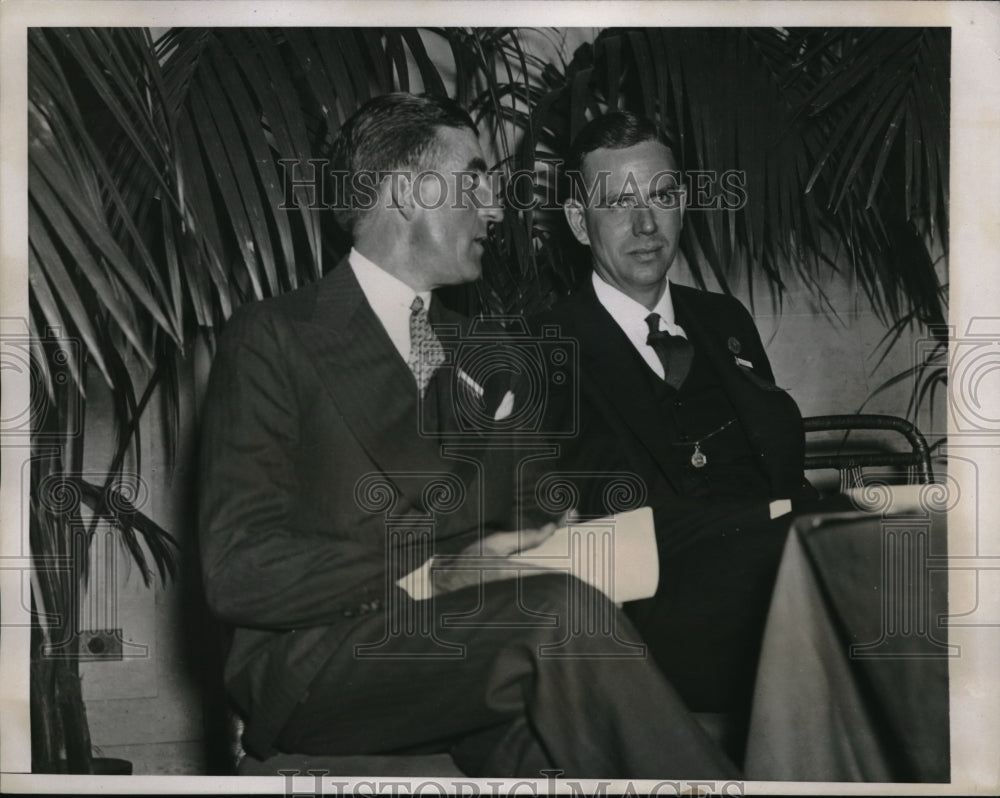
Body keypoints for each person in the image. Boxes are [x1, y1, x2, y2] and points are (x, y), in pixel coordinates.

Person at [198, 93, 737, 779]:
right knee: (560, 618)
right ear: (408, 191)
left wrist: (561, 529)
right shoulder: (277, 337)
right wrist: (432, 571)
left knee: (567, 744)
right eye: (474, 178)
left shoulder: (488, 350)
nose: (495, 206)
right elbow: (238, 568)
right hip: (327, 660)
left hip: (481, 650)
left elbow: (538, 503)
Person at [533, 111, 821, 747]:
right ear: (580, 222)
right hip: (653, 619)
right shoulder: (541, 344)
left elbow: (777, 461)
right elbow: (591, 514)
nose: (645, 224)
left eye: (661, 196)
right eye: (618, 203)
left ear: (683, 203)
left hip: (783, 596)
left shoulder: (724, 320)